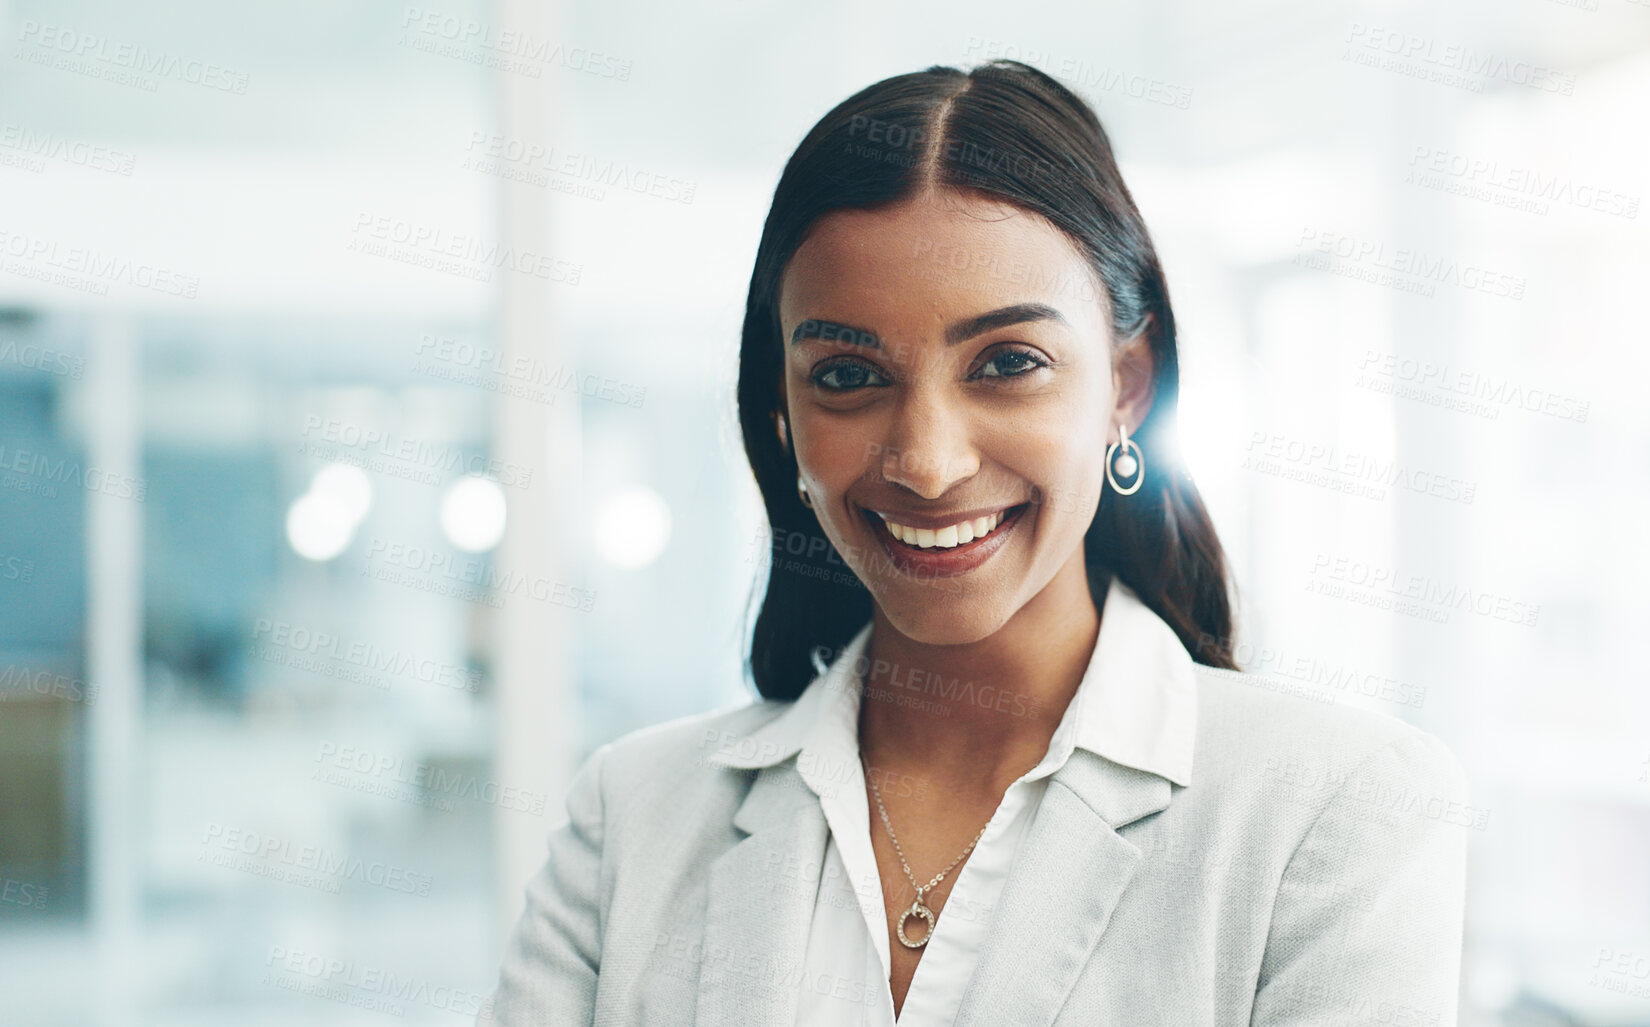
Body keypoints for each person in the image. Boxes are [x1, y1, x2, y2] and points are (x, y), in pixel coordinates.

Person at [482, 59, 1467, 1026]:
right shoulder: (633, 818)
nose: (928, 462)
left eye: (1006, 363)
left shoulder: (1333, 808)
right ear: (781, 415)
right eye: (846, 376)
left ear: (1125, 387)